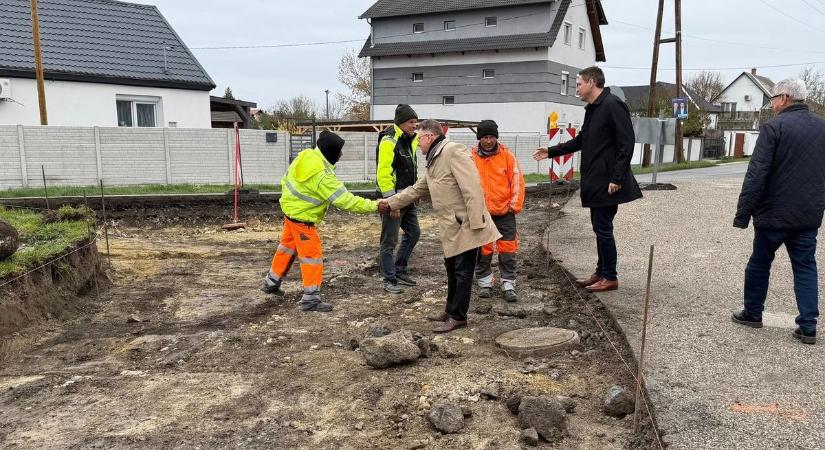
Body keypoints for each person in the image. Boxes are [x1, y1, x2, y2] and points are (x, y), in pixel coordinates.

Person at [381, 120, 500, 333]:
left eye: (420, 138)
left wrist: (475, 224)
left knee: (462, 272)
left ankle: (458, 317)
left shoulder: (453, 151)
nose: (418, 143)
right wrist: (389, 203)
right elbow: (416, 190)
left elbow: (472, 188)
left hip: (466, 225)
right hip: (452, 227)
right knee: (452, 269)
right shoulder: (434, 159)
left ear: (430, 137)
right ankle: (450, 310)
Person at [731, 79, 825, 345]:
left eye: (772, 99)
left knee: (760, 263)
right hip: (807, 215)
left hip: (773, 214)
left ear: (784, 98)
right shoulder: (822, 127)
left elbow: (756, 174)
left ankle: (752, 312)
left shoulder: (773, 128)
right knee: (805, 266)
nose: (771, 104)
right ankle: (808, 325)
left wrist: (743, 214)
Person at [533, 66, 642, 292]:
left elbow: (627, 142)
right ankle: (601, 272)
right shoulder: (593, 109)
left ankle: (609, 277)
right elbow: (581, 140)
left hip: (608, 182)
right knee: (599, 227)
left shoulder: (612, 105)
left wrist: (617, 178)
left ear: (592, 82)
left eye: (579, 84)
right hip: (596, 180)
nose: (577, 89)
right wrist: (551, 151)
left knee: (603, 227)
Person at [262, 131, 388, 312]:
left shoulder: (306, 156)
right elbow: (346, 201)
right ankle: (310, 299)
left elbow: (286, 180)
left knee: (286, 249)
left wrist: (291, 206)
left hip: (291, 213)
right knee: (312, 258)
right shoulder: (322, 176)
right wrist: (375, 206)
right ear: (330, 152)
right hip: (303, 220)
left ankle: (271, 282)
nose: (341, 155)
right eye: (339, 151)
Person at [471, 120, 526, 303]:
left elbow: (517, 182)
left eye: (491, 137)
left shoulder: (507, 156)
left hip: (505, 213)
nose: (488, 141)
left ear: (496, 137)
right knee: (483, 250)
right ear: (479, 138)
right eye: (485, 137)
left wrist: (513, 207)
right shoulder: (471, 158)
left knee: (508, 250)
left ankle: (508, 284)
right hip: (482, 214)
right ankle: (484, 283)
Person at [377, 104, 422, 294]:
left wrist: (414, 193)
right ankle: (389, 279)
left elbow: (411, 168)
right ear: (401, 122)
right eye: (411, 122)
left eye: (416, 122)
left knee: (414, 233)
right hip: (393, 200)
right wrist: (391, 201)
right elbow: (383, 174)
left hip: (407, 198)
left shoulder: (410, 139)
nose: (415, 125)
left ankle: (400, 269)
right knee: (389, 241)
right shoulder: (389, 141)